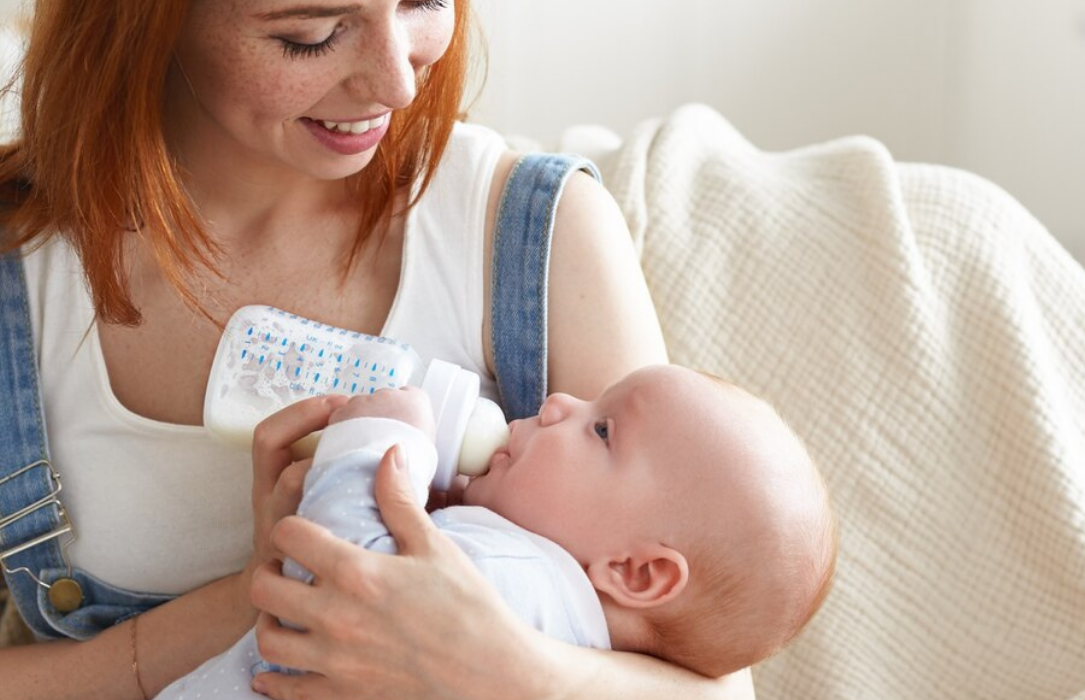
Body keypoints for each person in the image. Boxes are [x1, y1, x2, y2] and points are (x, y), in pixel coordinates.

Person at [0, 1, 768, 699]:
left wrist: (500, 666)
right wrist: (266, 595)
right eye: (309, 35)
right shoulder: (23, 274)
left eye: (423, 3)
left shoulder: (536, 234)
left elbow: (715, 688)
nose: (398, 83)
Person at [154, 364, 837, 698]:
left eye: (601, 429)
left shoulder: (517, 577)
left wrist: (375, 441)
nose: (559, 402)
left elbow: (335, 592)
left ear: (635, 573)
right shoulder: (545, 606)